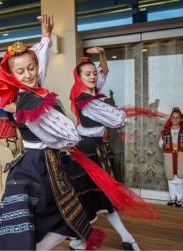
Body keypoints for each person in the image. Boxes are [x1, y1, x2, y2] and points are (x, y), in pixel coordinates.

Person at [0, 40, 112, 251]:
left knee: (62, 217)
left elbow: (64, 137)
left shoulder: (35, 96)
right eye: (20, 71)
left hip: (49, 165)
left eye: (31, 68)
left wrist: (46, 38)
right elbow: (69, 136)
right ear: (12, 76)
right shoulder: (27, 99)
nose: (28, 74)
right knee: (31, 222)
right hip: (34, 167)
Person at [0, 14, 54, 189]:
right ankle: (8, 214)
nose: (4, 75)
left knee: (15, 180)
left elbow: (39, 70)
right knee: (15, 176)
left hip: (19, 139)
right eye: (1, 70)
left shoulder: (22, 89)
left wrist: (46, 37)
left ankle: (10, 213)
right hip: (0, 140)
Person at [69, 47, 140, 250]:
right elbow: (118, 119)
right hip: (86, 150)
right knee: (94, 197)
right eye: (88, 74)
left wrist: (101, 54)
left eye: (94, 73)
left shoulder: (93, 93)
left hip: (96, 149)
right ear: (79, 77)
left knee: (101, 197)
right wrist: (121, 112)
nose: (93, 77)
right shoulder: (86, 100)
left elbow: (104, 72)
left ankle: (79, 240)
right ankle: (124, 239)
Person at [159, 107, 183, 207]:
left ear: (181, 119)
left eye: (178, 117)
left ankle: (179, 199)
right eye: (173, 117)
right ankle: (172, 198)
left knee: (180, 177)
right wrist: (166, 146)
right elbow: (160, 143)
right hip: (169, 155)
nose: (175, 119)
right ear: (170, 119)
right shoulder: (165, 132)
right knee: (170, 177)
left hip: (180, 155)